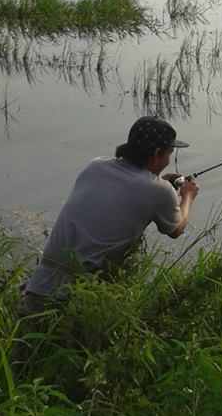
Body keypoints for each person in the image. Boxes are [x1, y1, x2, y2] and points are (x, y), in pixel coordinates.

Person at [18, 116, 200, 316]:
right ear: (157, 153)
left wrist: (156, 182)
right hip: (79, 302)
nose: (168, 160)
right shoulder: (160, 191)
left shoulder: (95, 166)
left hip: (36, 289)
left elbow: (121, 195)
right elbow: (176, 229)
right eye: (169, 153)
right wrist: (187, 196)